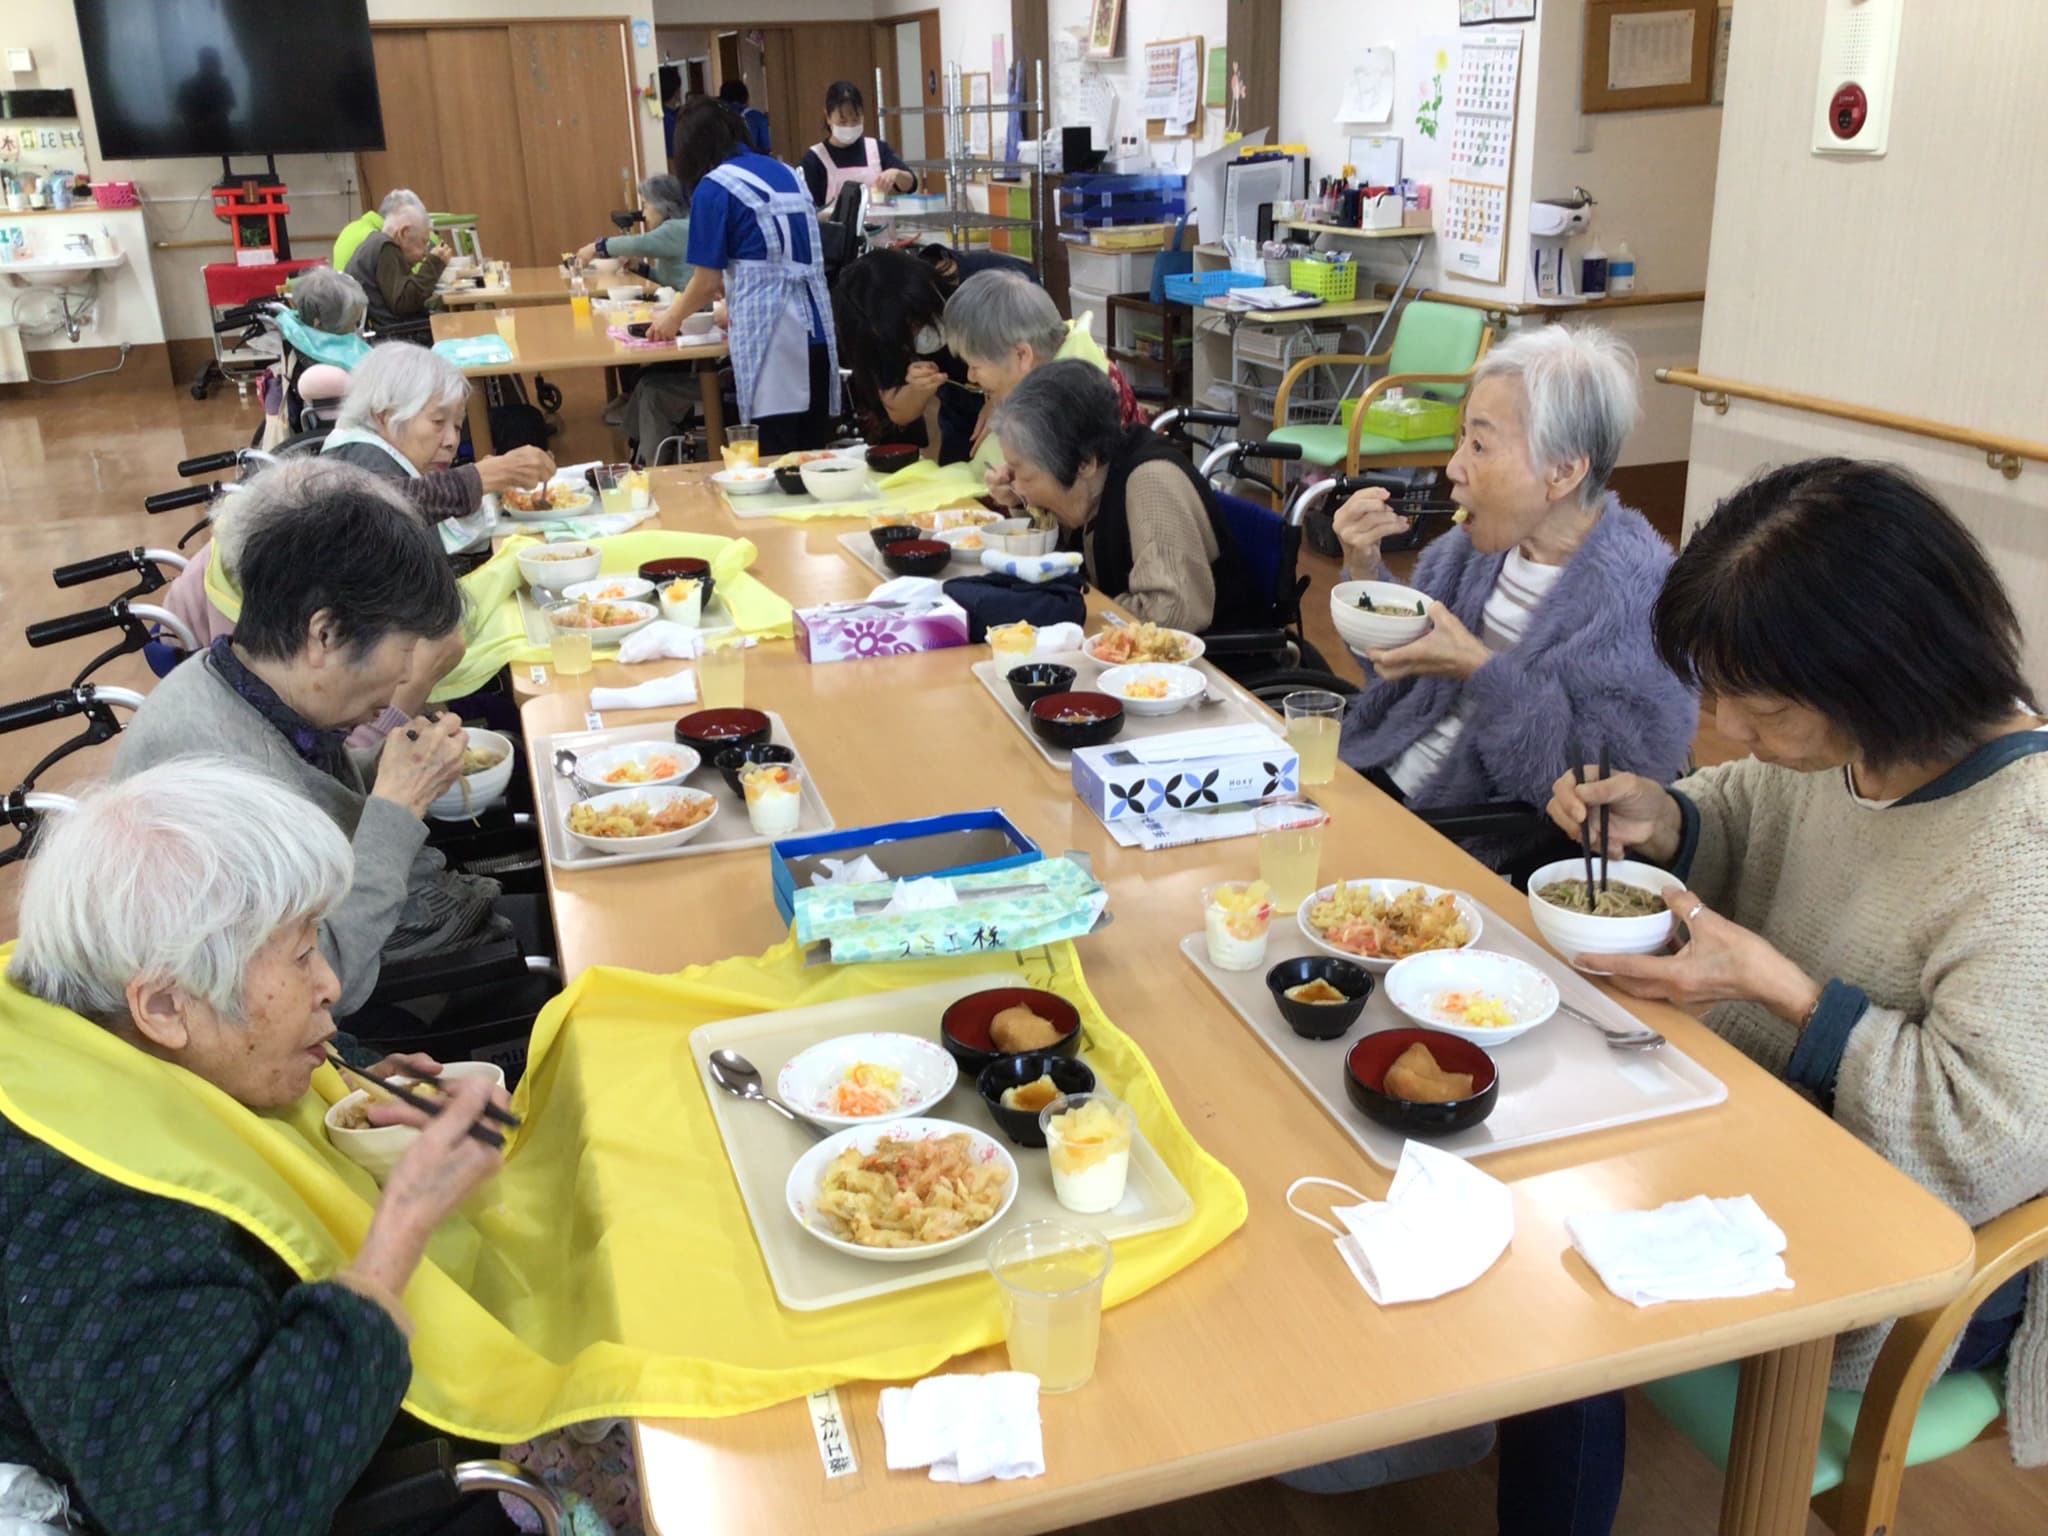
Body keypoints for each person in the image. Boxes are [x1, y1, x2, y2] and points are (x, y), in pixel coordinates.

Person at [1508, 456, 2048, 1532]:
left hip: (1922, 1256)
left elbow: (1986, 1139)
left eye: (1761, 709)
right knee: (1526, 1136)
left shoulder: (2021, 846)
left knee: (1558, 1263)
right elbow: (1752, 809)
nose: (1731, 731)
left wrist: (1793, 999)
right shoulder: (1860, 749)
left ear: (1884, 676)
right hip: (1772, 1132)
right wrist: (1666, 819)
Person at [0, 761, 518, 1535]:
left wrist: (354, 1088)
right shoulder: (96, 1210)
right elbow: (208, 1506)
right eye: (303, 954)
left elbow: (239, 1080)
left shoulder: (89, 1021)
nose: (330, 983)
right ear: (165, 1006)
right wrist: (400, 1231)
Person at [112, 464, 501, 1023]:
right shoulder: (205, 767)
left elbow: (309, 791)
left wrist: (387, 767)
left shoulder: (239, 680)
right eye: (405, 649)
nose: (406, 675)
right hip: (348, 1013)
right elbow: (318, 982)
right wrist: (398, 804)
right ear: (325, 633)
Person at [1332, 327, 1695, 866]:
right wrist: (1364, 569)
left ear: (1563, 471)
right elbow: (1392, 673)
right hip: (1373, 771)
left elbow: (1591, 795)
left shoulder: (1642, 602)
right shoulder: (1475, 545)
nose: (1454, 467)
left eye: (1479, 445)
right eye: (1463, 438)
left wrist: (1481, 670)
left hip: (1465, 836)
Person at [991, 360, 1263, 633]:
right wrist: (1019, 505)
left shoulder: (1151, 483)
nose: (1017, 486)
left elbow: (1173, 612)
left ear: (1084, 463)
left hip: (1207, 655)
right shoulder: (1091, 480)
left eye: (1025, 475)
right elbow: (1058, 562)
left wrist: (1075, 608)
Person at [648, 97, 840, 456]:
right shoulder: (786, 172)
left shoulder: (715, 186)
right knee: (813, 457)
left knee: (775, 459)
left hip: (773, 338)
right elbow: (773, 255)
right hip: (817, 327)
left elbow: (705, 282)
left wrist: (671, 318)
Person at [320, 341, 555, 553]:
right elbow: (380, 509)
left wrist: (485, 484)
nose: (452, 441)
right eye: (438, 422)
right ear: (384, 415)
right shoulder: (357, 456)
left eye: (457, 426)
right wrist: (482, 477)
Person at [943, 268, 1141, 473]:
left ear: (1022, 355)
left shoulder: (1073, 405)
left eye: (975, 366)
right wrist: (997, 397)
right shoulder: (1056, 352)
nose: (970, 376)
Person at [832, 249, 983, 463]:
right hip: (959, 417)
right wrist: (917, 390)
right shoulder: (878, 326)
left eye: (915, 324)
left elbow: (1030, 363)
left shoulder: (983, 286)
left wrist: (1000, 401)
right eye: (904, 336)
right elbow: (899, 413)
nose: (913, 338)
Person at [798, 80, 917, 208]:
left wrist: (897, 174)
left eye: (856, 120)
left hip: (878, 221)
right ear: (828, 117)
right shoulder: (814, 159)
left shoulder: (877, 149)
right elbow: (809, 210)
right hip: (835, 222)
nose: (850, 125)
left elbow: (911, 185)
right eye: (843, 121)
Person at [575, 173, 693, 292]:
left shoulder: (675, 229)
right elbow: (666, 279)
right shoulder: (681, 226)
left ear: (661, 205)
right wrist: (638, 267)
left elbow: (638, 244)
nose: (643, 214)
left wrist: (596, 247)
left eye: (645, 206)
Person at [343, 200, 450, 329]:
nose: (425, 252)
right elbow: (403, 303)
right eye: (423, 242)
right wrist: (434, 263)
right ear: (403, 233)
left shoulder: (374, 242)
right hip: (397, 333)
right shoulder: (387, 248)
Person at [332, 187, 427, 275]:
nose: (424, 252)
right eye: (423, 241)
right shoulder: (380, 245)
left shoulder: (351, 229)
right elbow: (410, 282)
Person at [718, 78, 772, 155]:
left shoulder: (717, 117)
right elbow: (766, 146)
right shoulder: (756, 116)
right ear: (745, 97)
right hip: (753, 159)